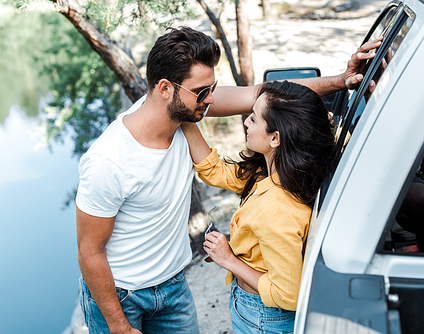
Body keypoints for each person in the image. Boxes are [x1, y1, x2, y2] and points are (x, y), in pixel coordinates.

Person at [76, 26, 381, 334]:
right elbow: (90, 251)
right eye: (202, 92)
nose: (210, 100)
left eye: (213, 88)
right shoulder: (108, 162)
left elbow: (265, 95)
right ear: (165, 88)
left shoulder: (187, 110)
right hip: (124, 294)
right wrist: (119, 327)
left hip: (174, 285)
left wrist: (342, 81)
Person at [181, 80, 337, 333]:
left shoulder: (277, 208)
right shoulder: (281, 173)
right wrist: (186, 117)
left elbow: (288, 295)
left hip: (265, 318)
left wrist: (229, 260)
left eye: (253, 119)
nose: (245, 122)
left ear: (275, 138)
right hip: (258, 310)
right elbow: (217, 171)